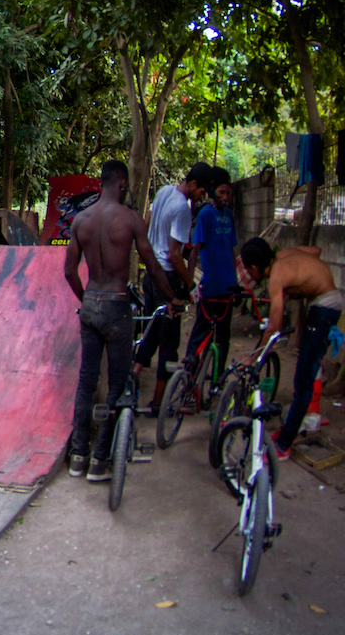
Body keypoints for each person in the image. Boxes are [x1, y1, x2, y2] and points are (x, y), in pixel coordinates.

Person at [65, 160, 181, 482]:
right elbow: (154, 267)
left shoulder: (81, 221)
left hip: (91, 302)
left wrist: (86, 300)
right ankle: (101, 460)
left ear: (101, 184)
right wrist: (172, 297)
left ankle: (78, 456)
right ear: (122, 185)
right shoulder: (130, 220)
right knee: (118, 382)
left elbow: (69, 272)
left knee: (87, 381)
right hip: (117, 305)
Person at [239, 237, 343, 458]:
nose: (250, 275)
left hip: (326, 307)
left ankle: (283, 446)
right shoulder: (285, 254)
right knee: (306, 369)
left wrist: (254, 356)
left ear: (256, 267)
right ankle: (289, 430)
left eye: (249, 270)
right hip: (326, 303)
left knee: (304, 380)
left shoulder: (276, 275)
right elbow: (316, 249)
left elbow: (274, 325)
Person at [133, 162, 214, 413]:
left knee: (152, 332)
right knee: (169, 342)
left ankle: (131, 378)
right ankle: (158, 403)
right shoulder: (182, 209)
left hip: (151, 275)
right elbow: (175, 254)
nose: (203, 196)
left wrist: (146, 257)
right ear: (192, 185)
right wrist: (190, 286)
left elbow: (146, 223)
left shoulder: (164, 191)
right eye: (202, 191)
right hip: (168, 278)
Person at [186, 166, 238, 388]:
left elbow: (232, 251)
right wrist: (190, 284)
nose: (226, 197)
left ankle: (216, 381)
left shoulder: (229, 216)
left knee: (223, 338)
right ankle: (187, 380)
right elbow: (195, 249)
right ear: (212, 192)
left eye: (228, 193)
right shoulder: (206, 214)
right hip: (210, 288)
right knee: (200, 334)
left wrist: (236, 281)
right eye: (221, 193)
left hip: (228, 287)